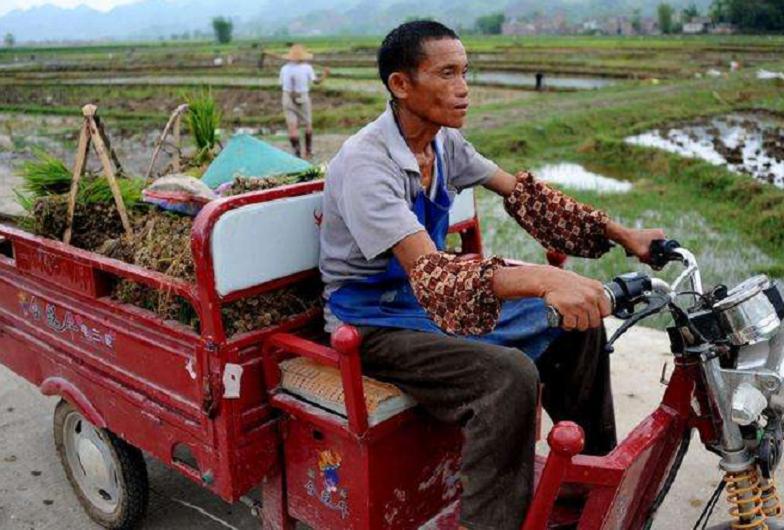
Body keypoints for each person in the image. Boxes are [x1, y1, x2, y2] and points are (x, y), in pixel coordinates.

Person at [318, 21, 665, 530]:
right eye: (447, 73)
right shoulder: (367, 165)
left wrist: (621, 233)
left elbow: (524, 196)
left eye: (466, 72)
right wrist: (542, 280)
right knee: (508, 376)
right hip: (372, 323)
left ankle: (585, 488)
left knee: (579, 324)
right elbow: (434, 274)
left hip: (423, 306)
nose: (464, 88)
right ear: (401, 84)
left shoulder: (443, 144)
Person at [278, 44, 329, 159]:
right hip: (303, 97)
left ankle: (297, 154)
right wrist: (325, 74)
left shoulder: (284, 68)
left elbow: (282, 84)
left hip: (287, 97)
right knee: (307, 124)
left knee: (292, 126)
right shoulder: (307, 68)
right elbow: (316, 82)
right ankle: (308, 151)